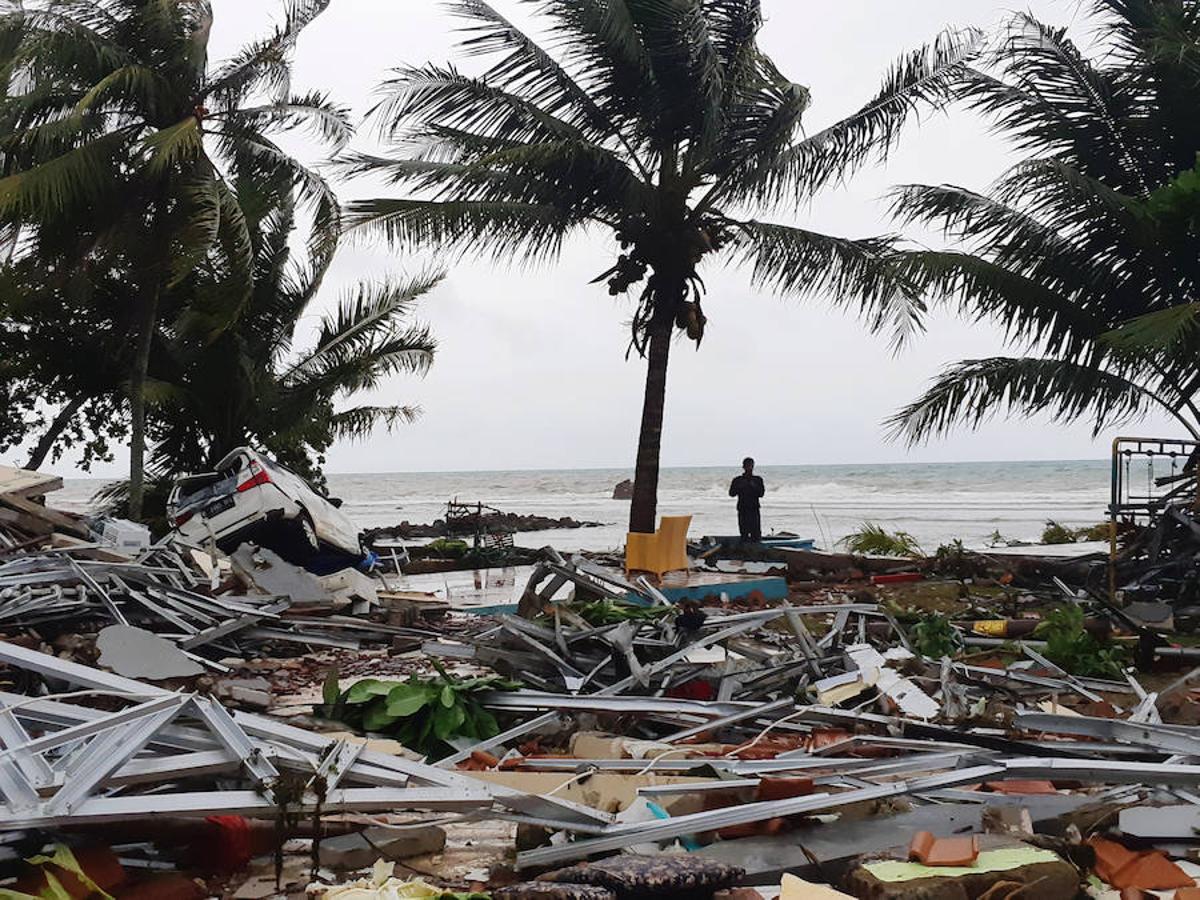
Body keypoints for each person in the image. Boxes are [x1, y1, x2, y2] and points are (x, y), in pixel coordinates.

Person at [729, 457, 765, 543]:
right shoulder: (737, 480)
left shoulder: (757, 479)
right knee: (744, 533)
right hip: (743, 509)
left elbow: (761, 494)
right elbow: (731, 494)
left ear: (753, 466)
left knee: (756, 534)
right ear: (743, 467)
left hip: (754, 509)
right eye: (747, 466)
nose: (749, 468)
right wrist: (740, 486)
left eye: (750, 466)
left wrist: (753, 486)